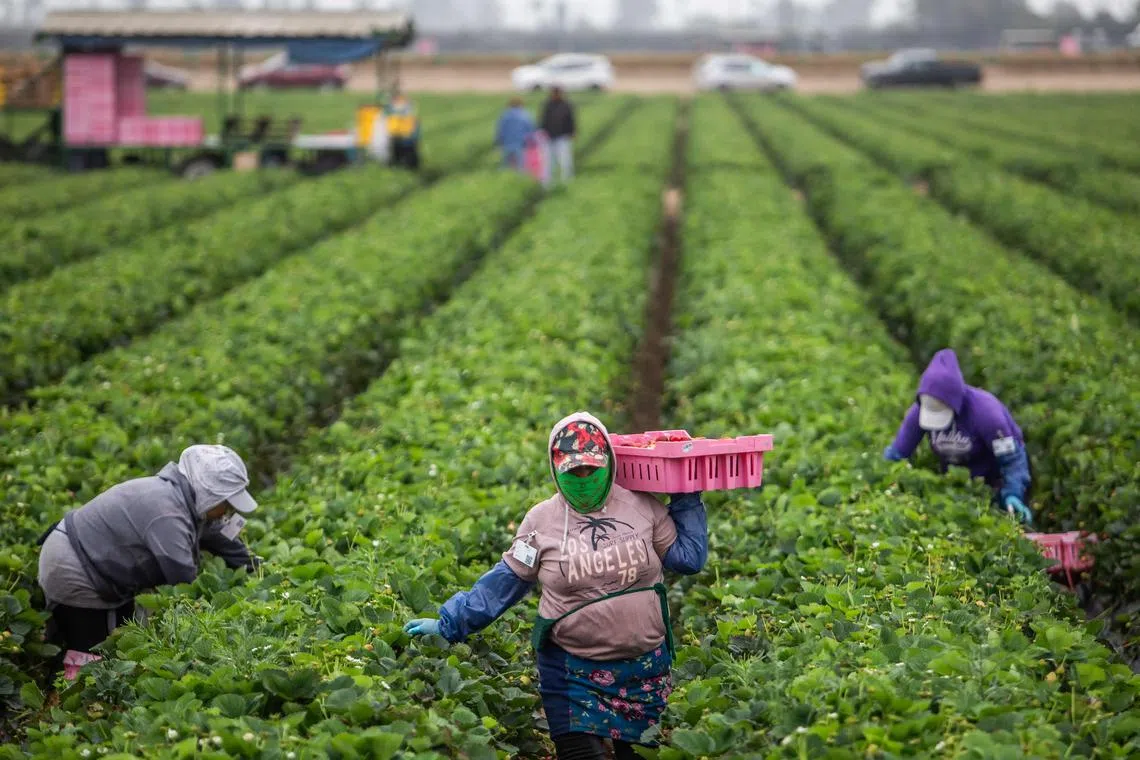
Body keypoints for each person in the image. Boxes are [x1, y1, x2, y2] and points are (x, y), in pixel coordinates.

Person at [405, 412, 708, 760]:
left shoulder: (641, 506)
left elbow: (688, 559)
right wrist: (449, 624)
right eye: (572, 471)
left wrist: (687, 495)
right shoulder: (541, 521)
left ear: (609, 463)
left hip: (643, 673)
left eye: (590, 469)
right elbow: (507, 580)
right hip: (573, 675)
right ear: (556, 470)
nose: (582, 478)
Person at [36, 445, 260, 676]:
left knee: (124, 639)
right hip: (73, 567)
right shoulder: (168, 512)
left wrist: (257, 571)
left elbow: (222, 539)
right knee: (94, 651)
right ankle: (77, 697)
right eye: (227, 502)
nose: (229, 510)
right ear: (209, 496)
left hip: (101, 566)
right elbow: (183, 582)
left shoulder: (189, 501)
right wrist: (214, 621)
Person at [883, 349, 1033, 525]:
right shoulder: (918, 412)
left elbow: (1012, 460)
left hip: (994, 480)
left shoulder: (986, 413)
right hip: (955, 484)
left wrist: (1013, 494)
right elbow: (897, 454)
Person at [540, 86, 577, 186]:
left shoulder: (566, 105)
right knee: (548, 161)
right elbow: (543, 120)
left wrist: (572, 132)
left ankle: (567, 182)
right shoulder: (547, 105)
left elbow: (571, 120)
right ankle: (547, 184)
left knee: (565, 160)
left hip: (563, 137)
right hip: (549, 137)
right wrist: (542, 132)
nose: (556, 95)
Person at [495, 97, 536, 172]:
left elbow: (500, 130)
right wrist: (533, 143)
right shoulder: (526, 115)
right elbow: (531, 130)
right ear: (521, 105)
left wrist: (498, 141)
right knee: (521, 166)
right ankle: (518, 181)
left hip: (507, 144)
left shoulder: (504, 116)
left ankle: (505, 180)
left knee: (506, 165)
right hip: (521, 143)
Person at [384, 91, 421, 170]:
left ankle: (407, 166)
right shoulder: (391, 109)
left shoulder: (406, 109)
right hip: (397, 136)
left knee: (408, 154)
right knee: (397, 153)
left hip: (406, 137)